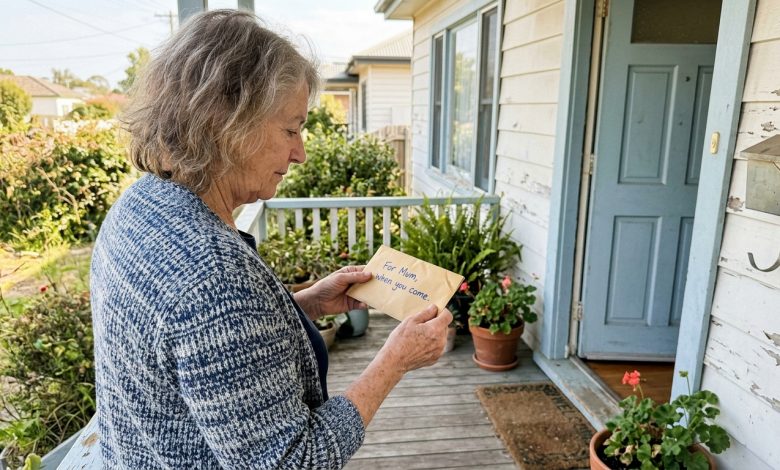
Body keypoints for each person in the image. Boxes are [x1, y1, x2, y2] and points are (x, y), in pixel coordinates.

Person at [90, 9, 452, 469]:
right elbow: (291, 461)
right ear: (226, 122)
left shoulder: (140, 204)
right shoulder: (212, 273)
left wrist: (307, 303)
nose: (299, 153)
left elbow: (204, 355)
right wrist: (393, 363)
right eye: (290, 129)